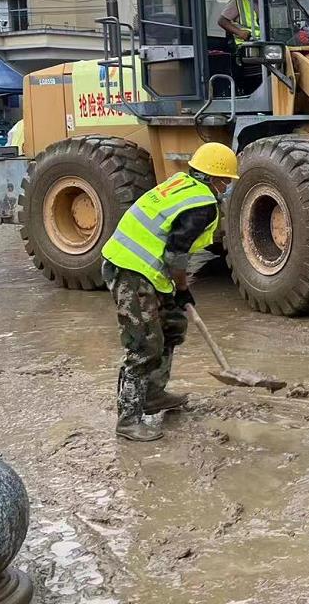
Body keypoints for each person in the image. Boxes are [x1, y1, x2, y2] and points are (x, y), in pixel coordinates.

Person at [100, 142, 239, 442]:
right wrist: (183, 288)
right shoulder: (201, 204)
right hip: (131, 269)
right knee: (143, 346)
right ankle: (128, 419)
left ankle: (153, 394)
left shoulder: (181, 183)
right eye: (226, 181)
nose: (226, 187)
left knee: (173, 326)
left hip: (149, 270)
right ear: (214, 179)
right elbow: (176, 256)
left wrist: (176, 296)